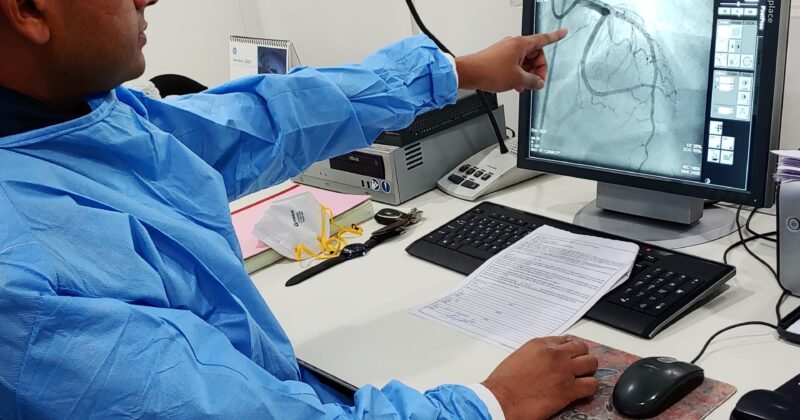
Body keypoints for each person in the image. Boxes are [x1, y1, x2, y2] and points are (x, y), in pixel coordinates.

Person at [0, 0, 598, 419]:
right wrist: (492, 403)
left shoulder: (77, 117)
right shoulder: (18, 276)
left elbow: (259, 121)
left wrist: (456, 71)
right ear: (28, 9)